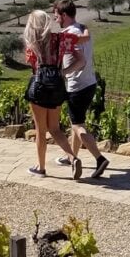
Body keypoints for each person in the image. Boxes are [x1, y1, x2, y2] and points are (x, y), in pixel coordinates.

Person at [52, 0, 109, 179]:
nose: (55, 19)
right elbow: (85, 34)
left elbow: (81, 61)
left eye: (57, 16)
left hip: (76, 86)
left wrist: (63, 72)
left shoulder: (68, 36)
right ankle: (72, 157)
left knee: (78, 126)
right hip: (90, 83)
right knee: (76, 123)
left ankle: (100, 159)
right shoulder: (81, 29)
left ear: (64, 15)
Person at [23, 10, 81, 178]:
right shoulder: (60, 39)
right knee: (55, 128)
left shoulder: (32, 43)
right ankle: (72, 157)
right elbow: (80, 47)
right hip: (57, 84)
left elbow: (31, 64)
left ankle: (40, 168)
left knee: (41, 130)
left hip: (40, 85)